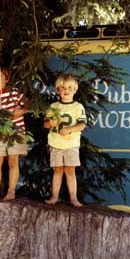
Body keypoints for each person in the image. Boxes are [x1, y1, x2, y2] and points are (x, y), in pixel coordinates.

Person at [0, 65, 28, 200]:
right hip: (0, 134)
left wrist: (21, 111)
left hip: (16, 132)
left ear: (7, 79)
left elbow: (27, 103)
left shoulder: (14, 93)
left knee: (13, 161)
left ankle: (11, 191)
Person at [44, 73, 86, 207]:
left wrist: (69, 129)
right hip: (56, 143)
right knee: (57, 170)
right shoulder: (54, 106)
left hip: (71, 144)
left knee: (70, 171)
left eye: (69, 87)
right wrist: (50, 123)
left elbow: (82, 124)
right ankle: (54, 197)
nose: (66, 90)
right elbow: (44, 124)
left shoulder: (78, 107)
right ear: (57, 90)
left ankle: (73, 198)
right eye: (62, 87)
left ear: (75, 89)